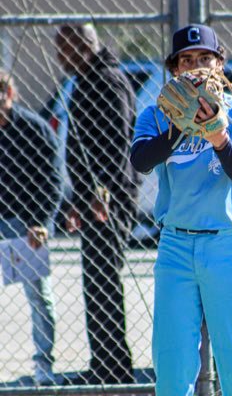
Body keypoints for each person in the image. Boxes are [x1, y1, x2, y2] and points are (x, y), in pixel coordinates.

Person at [130, 24, 232, 396]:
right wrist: (178, 128)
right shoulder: (157, 115)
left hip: (229, 246)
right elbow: (141, 161)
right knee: (173, 368)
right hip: (175, 247)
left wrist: (218, 136)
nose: (195, 66)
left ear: (220, 63)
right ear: (174, 69)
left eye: (204, 58)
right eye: (186, 60)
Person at [54, 24, 138, 385]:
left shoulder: (107, 81)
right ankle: (103, 364)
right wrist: (78, 198)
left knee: (104, 278)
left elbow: (119, 142)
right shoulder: (86, 79)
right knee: (95, 280)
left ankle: (115, 368)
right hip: (91, 198)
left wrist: (102, 191)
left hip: (110, 198)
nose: (60, 58)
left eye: (65, 49)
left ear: (84, 46)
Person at [0, 69, 63, 385]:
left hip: (25, 224)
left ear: (9, 95)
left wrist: (41, 222)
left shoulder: (33, 128)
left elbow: (53, 179)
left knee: (39, 295)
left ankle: (43, 366)